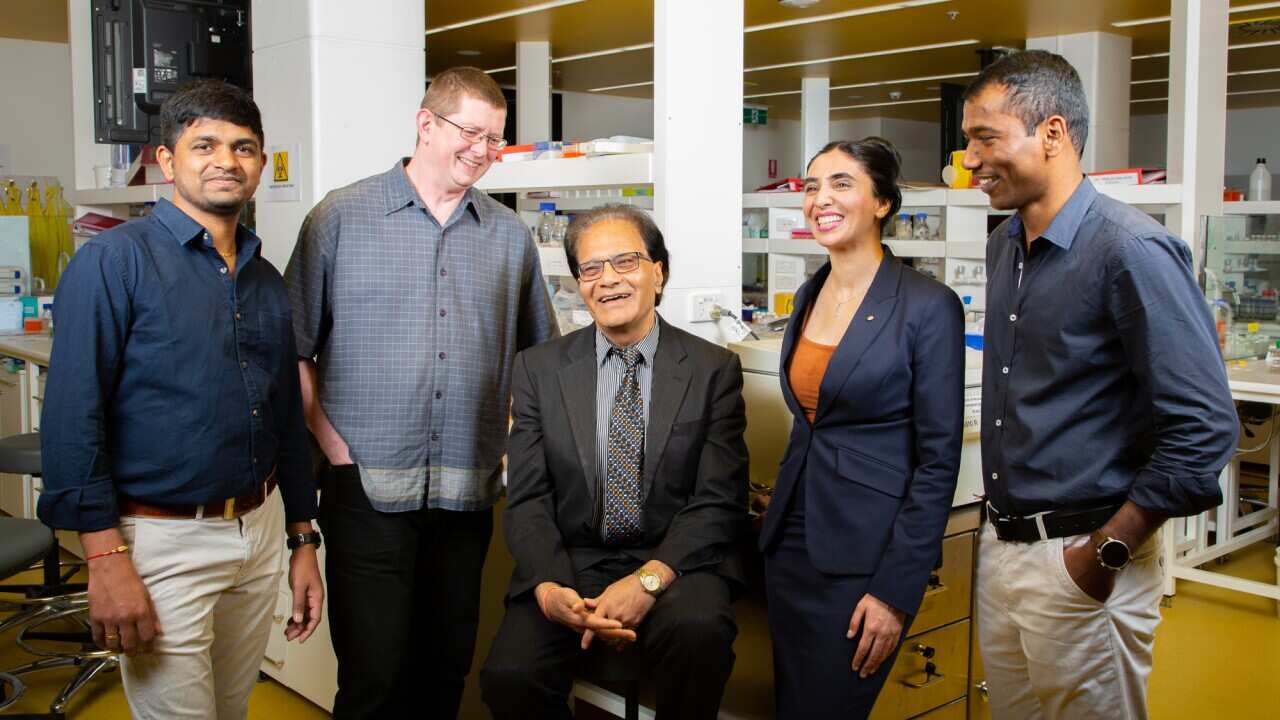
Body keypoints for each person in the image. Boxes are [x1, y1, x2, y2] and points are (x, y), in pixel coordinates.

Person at [961, 50, 1238, 720]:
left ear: (1053, 134)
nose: (970, 160)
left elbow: (1204, 427)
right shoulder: (1005, 246)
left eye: (986, 138)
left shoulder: (1129, 249)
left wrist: (1106, 551)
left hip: (1084, 556)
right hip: (1003, 548)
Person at [39, 79, 323, 719]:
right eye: (205, 145)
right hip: (161, 542)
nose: (227, 160)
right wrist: (104, 558)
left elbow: (284, 418)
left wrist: (303, 537)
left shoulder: (265, 279)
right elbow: (73, 419)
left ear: (260, 163)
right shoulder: (114, 263)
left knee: (231, 709)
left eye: (243, 147)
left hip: (259, 531)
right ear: (168, 161)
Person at [284, 66, 557, 719]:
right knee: (374, 681)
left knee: (444, 673)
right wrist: (334, 448)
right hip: (365, 487)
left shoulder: (508, 236)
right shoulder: (339, 218)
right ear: (425, 124)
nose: (483, 151)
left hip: (466, 493)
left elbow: (540, 360)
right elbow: (292, 349)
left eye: (495, 139)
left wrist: (514, 449)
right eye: (471, 132)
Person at [479, 204, 749, 719]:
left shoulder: (712, 369)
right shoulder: (538, 369)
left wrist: (649, 580)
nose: (608, 280)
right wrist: (549, 587)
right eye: (591, 268)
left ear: (658, 273)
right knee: (510, 677)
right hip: (572, 560)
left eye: (626, 262)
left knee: (699, 634)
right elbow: (529, 498)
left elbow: (719, 500)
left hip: (675, 561)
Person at [757, 137, 965, 718]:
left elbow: (938, 461)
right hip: (791, 543)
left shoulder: (927, 305)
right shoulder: (809, 294)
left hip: (866, 555)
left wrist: (896, 590)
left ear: (882, 203)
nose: (820, 198)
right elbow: (812, 423)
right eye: (812, 186)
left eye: (841, 184)